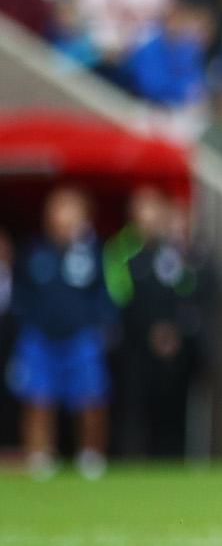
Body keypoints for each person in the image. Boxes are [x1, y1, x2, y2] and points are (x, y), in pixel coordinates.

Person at [9, 186, 115, 478]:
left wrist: (100, 324)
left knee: (91, 398)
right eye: (58, 208)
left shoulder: (92, 251)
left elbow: (105, 294)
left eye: (70, 208)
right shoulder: (34, 250)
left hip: (81, 337)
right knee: (38, 398)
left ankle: (91, 456)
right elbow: (20, 293)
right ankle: (40, 456)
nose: (63, 215)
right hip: (40, 337)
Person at [105, 188, 207, 460]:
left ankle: (173, 461)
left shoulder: (175, 251)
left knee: (172, 411)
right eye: (143, 211)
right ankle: (131, 462)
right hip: (135, 345)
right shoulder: (121, 250)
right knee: (134, 409)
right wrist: (150, 328)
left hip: (173, 347)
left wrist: (173, 329)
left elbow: (190, 290)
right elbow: (119, 295)